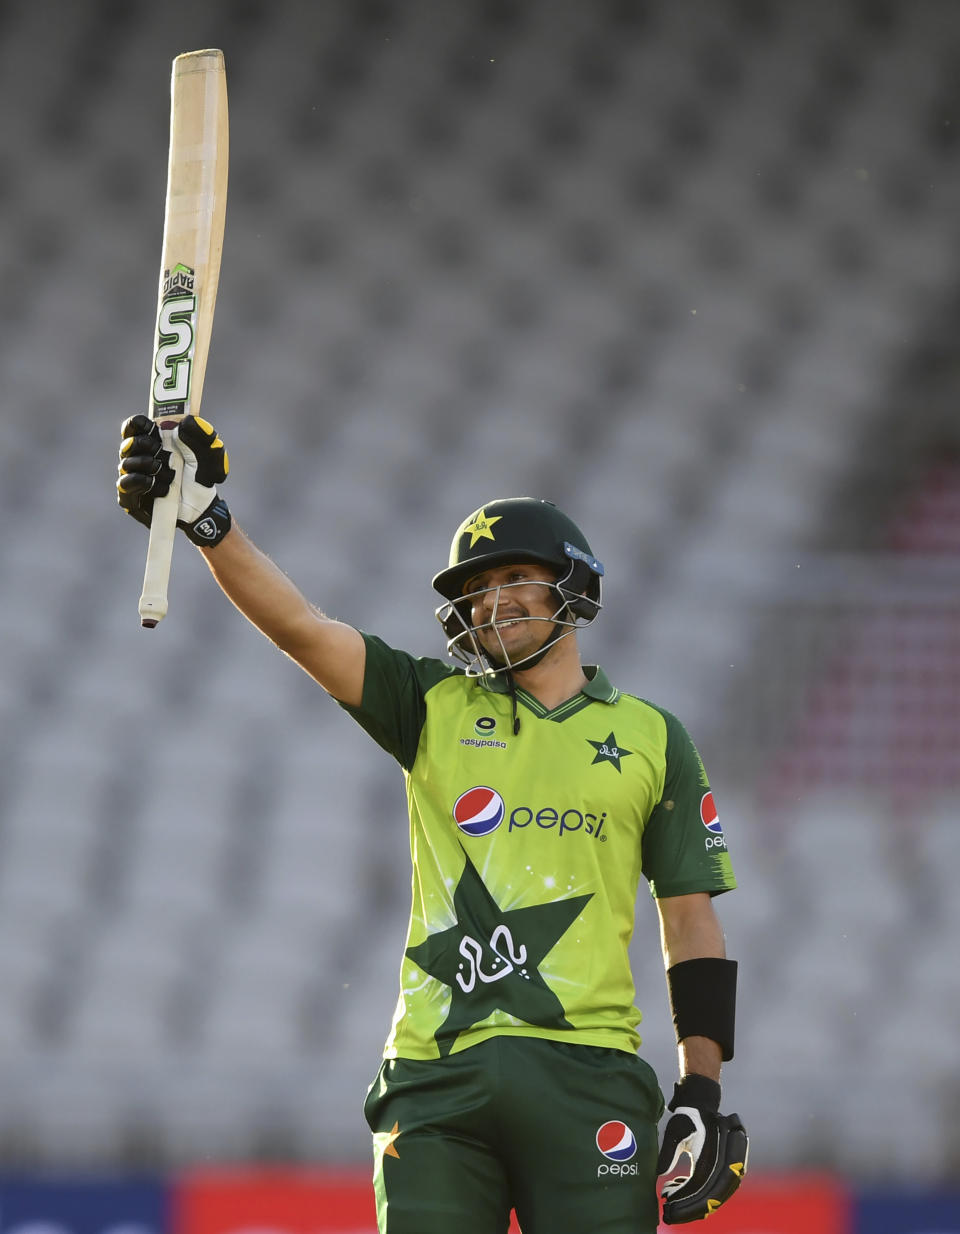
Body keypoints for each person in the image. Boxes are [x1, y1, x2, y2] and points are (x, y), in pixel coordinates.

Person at [117, 414, 749, 1233]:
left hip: (590, 1075)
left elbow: (690, 916)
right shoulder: (430, 705)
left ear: (573, 585)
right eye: (476, 589)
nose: (492, 600)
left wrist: (700, 1087)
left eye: (514, 574)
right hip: (433, 1078)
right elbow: (301, 627)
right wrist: (209, 523)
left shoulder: (654, 737)